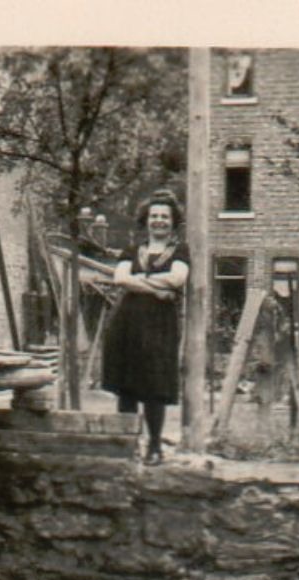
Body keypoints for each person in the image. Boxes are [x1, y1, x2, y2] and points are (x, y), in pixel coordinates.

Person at [100, 190, 190, 466]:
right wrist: (156, 287)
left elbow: (177, 278)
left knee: (155, 386)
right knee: (127, 385)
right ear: (146, 220)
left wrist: (139, 280)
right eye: (154, 216)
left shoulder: (181, 250)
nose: (159, 221)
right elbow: (120, 279)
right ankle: (128, 444)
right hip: (127, 323)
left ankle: (154, 446)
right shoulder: (131, 249)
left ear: (173, 221)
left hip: (160, 326)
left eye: (164, 216)